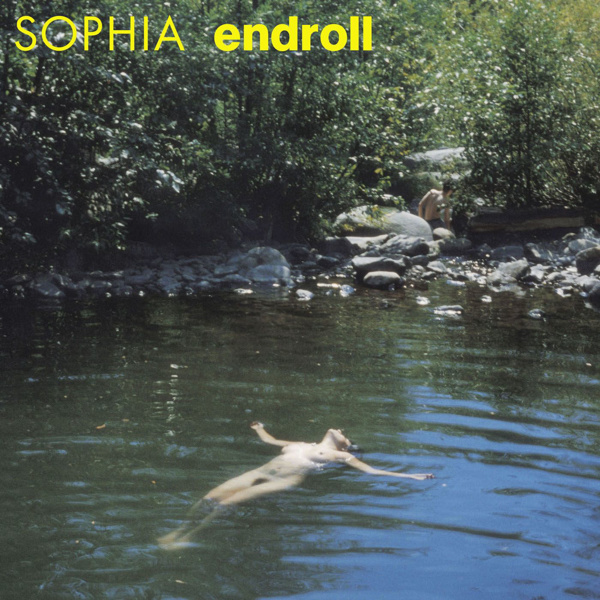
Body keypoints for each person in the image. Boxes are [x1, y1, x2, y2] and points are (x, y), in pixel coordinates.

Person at [158, 422, 434, 548]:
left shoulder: (341, 455)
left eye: (345, 435)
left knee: (226, 503)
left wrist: (410, 476)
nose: (340, 430)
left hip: (284, 480)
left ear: (345, 444)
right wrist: (259, 428)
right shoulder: (300, 444)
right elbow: (270, 441)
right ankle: (178, 530)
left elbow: (371, 471)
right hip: (261, 471)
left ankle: (189, 537)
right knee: (209, 497)